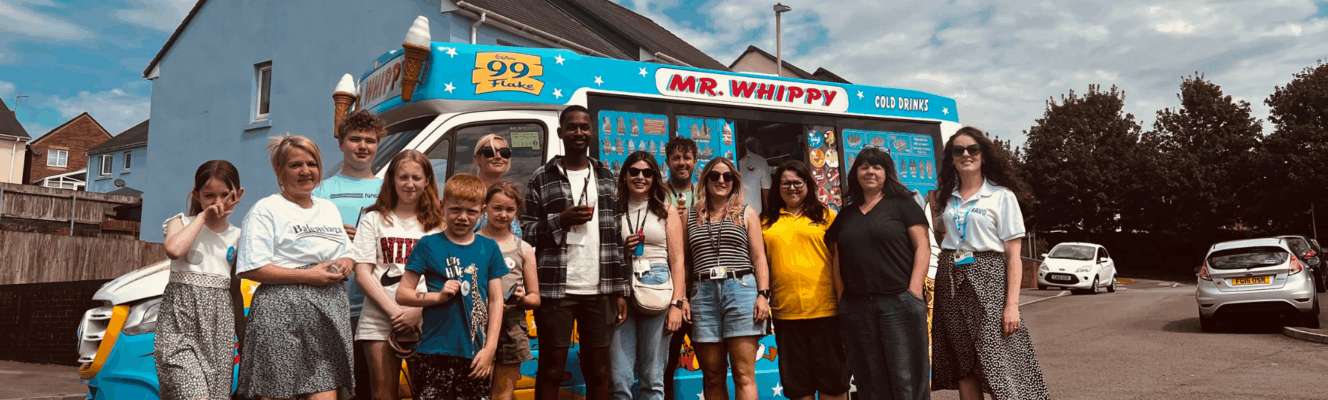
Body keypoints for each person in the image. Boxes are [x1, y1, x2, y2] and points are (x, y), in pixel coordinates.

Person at [930, 127, 1048, 400]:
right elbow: (942, 233)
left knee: (999, 362)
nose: (966, 154)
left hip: (990, 281)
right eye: (958, 150)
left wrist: (1012, 305)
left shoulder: (1001, 196)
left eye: (973, 149)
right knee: (964, 362)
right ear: (951, 158)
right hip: (951, 280)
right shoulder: (948, 197)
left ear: (983, 155)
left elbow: (1013, 256)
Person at [236, 135, 355, 400]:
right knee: (276, 393)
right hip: (280, 320)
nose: (305, 171)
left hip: (327, 322)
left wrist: (346, 263)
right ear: (279, 170)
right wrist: (308, 276)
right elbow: (251, 267)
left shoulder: (328, 209)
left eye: (311, 164)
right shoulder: (266, 209)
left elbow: (347, 252)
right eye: (295, 165)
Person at [520, 105, 626, 400]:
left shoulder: (606, 175)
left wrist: (620, 290)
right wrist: (560, 221)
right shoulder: (542, 177)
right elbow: (525, 231)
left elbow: (616, 236)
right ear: (560, 133)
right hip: (556, 290)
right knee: (552, 369)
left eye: (584, 127)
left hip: (600, 288)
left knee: (600, 371)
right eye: (572, 127)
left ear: (592, 132)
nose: (578, 132)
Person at [824, 148, 930, 400]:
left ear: (886, 173)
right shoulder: (847, 214)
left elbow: (922, 247)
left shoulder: (904, 204)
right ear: (856, 173)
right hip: (857, 307)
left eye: (877, 167)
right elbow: (836, 256)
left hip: (899, 303)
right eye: (864, 167)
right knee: (869, 380)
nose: (870, 172)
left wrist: (914, 291)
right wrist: (842, 298)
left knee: (906, 380)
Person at [396, 174, 506, 400]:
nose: (463, 217)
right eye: (455, 209)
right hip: (433, 352)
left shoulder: (490, 248)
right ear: (442, 206)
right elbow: (402, 294)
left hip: (475, 355)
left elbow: (496, 301)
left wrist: (490, 349)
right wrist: (437, 297)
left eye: (471, 212)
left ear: (482, 211)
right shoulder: (428, 245)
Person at [351, 150, 443, 400]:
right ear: (392, 179)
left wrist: (417, 311)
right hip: (380, 318)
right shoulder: (373, 219)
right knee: (382, 394)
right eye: (403, 177)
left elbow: (446, 278)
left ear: (427, 181)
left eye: (416, 177)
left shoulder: (438, 225)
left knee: (427, 393)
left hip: (428, 319)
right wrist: (396, 313)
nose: (410, 184)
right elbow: (362, 273)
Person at [758, 160, 849, 400]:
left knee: (833, 385)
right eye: (785, 183)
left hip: (826, 311)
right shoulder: (765, 221)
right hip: (785, 314)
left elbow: (842, 260)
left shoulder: (826, 215)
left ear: (808, 184)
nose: (792, 188)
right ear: (777, 187)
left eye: (798, 182)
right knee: (799, 389)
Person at [157, 160, 244, 400]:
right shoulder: (180, 223)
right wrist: (203, 217)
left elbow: (236, 290)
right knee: (192, 392)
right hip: (180, 324)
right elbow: (174, 249)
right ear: (197, 195)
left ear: (238, 194)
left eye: (225, 195)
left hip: (219, 327)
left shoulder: (239, 236)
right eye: (209, 196)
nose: (218, 203)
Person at [685, 157, 771, 400]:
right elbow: (684, 262)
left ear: (734, 182)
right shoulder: (690, 216)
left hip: (742, 290)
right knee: (712, 376)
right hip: (702, 294)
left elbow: (759, 258)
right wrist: (682, 299)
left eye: (727, 176)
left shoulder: (747, 213)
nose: (721, 180)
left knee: (744, 374)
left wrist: (763, 295)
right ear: (705, 180)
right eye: (715, 175)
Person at [314, 109, 386, 399]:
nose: (363, 146)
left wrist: (370, 238)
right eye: (355, 139)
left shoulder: (388, 190)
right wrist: (332, 236)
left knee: (369, 389)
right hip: (331, 304)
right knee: (334, 389)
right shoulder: (321, 190)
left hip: (374, 308)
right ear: (341, 143)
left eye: (370, 140)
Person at [610, 151, 688, 400]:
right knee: (619, 380)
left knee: (653, 380)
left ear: (655, 177)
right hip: (620, 294)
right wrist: (622, 250)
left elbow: (678, 261)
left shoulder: (667, 211)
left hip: (658, 293)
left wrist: (678, 303)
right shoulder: (612, 210)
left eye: (647, 172)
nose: (640, 177)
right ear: (624, 176)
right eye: (634, 171)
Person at [476, 181, 540, 400]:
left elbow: (535, 298)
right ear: (485, 208)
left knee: (503, 395)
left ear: (517, 211)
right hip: (477, 327)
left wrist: (522, 299)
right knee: (478, 392)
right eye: (497, 208)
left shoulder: (524, 248)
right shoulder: (472, 242)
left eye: (509, 210)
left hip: (512, 326)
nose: (503, 215)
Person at [660, 136, 697, 400]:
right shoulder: (657, 193)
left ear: (695, 161)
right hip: (668, 285)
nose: (681, 163)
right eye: (676, 158)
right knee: (666, 360)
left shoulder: (707, 192)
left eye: (687, 158)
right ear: (668, 162)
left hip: (701, 283)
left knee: (710, 357)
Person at [474, 133, 523, 238]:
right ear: (476, 158)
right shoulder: (467, 194)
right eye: (489, 152)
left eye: (504, 153)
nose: (498, 156)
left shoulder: (511, 194)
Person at [738, 136, 770, 215]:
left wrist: (767, 219)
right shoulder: (720, 161)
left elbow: (766, 193)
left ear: (746, 134)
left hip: (754, 220)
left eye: (741, 131)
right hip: (726, 221)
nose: (738, 135)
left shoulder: (760, 162)